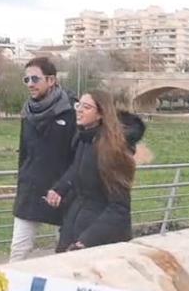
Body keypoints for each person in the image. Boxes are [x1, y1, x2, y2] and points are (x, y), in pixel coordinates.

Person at [45, 90, 145, 252]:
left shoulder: (112, 150)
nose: (79, 110)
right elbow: (77, 169)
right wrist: (60, 188)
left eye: (86, 107)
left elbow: (120, 208)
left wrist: (87, 240)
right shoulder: (83, 139)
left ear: (100, 114)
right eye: (78, 105)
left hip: (100, 240)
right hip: (74, 226)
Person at [9, 57, 76, 262]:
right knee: (18, 251)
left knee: (66, 254)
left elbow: (79, 156)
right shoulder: (27, 113)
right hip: (30, 192)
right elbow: (24, 153)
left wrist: (64, 187)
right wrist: (23, 180)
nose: (30, 84)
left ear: (51, 80)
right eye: (26, 79)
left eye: (35, 79)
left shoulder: (72, 111)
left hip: (62, 194)